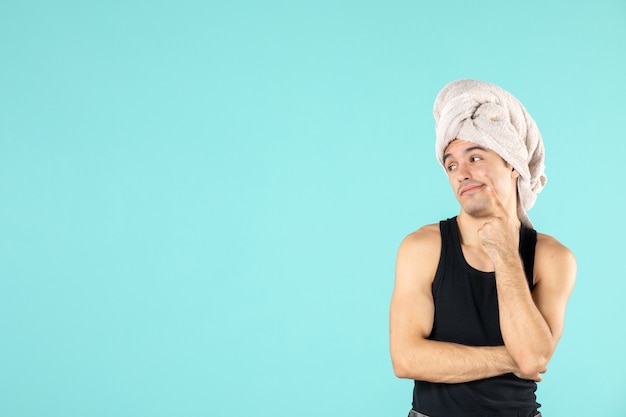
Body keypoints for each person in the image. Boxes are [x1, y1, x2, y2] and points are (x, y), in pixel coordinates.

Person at [389, 79, 576, 417]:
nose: (462, 172)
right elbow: (406, 359)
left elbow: (534, 358)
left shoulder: (552, 258)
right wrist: (512, 357)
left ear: (513, 165)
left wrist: (505, 252)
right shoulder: (422, 247)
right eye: (451, 164)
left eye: (475, 157)